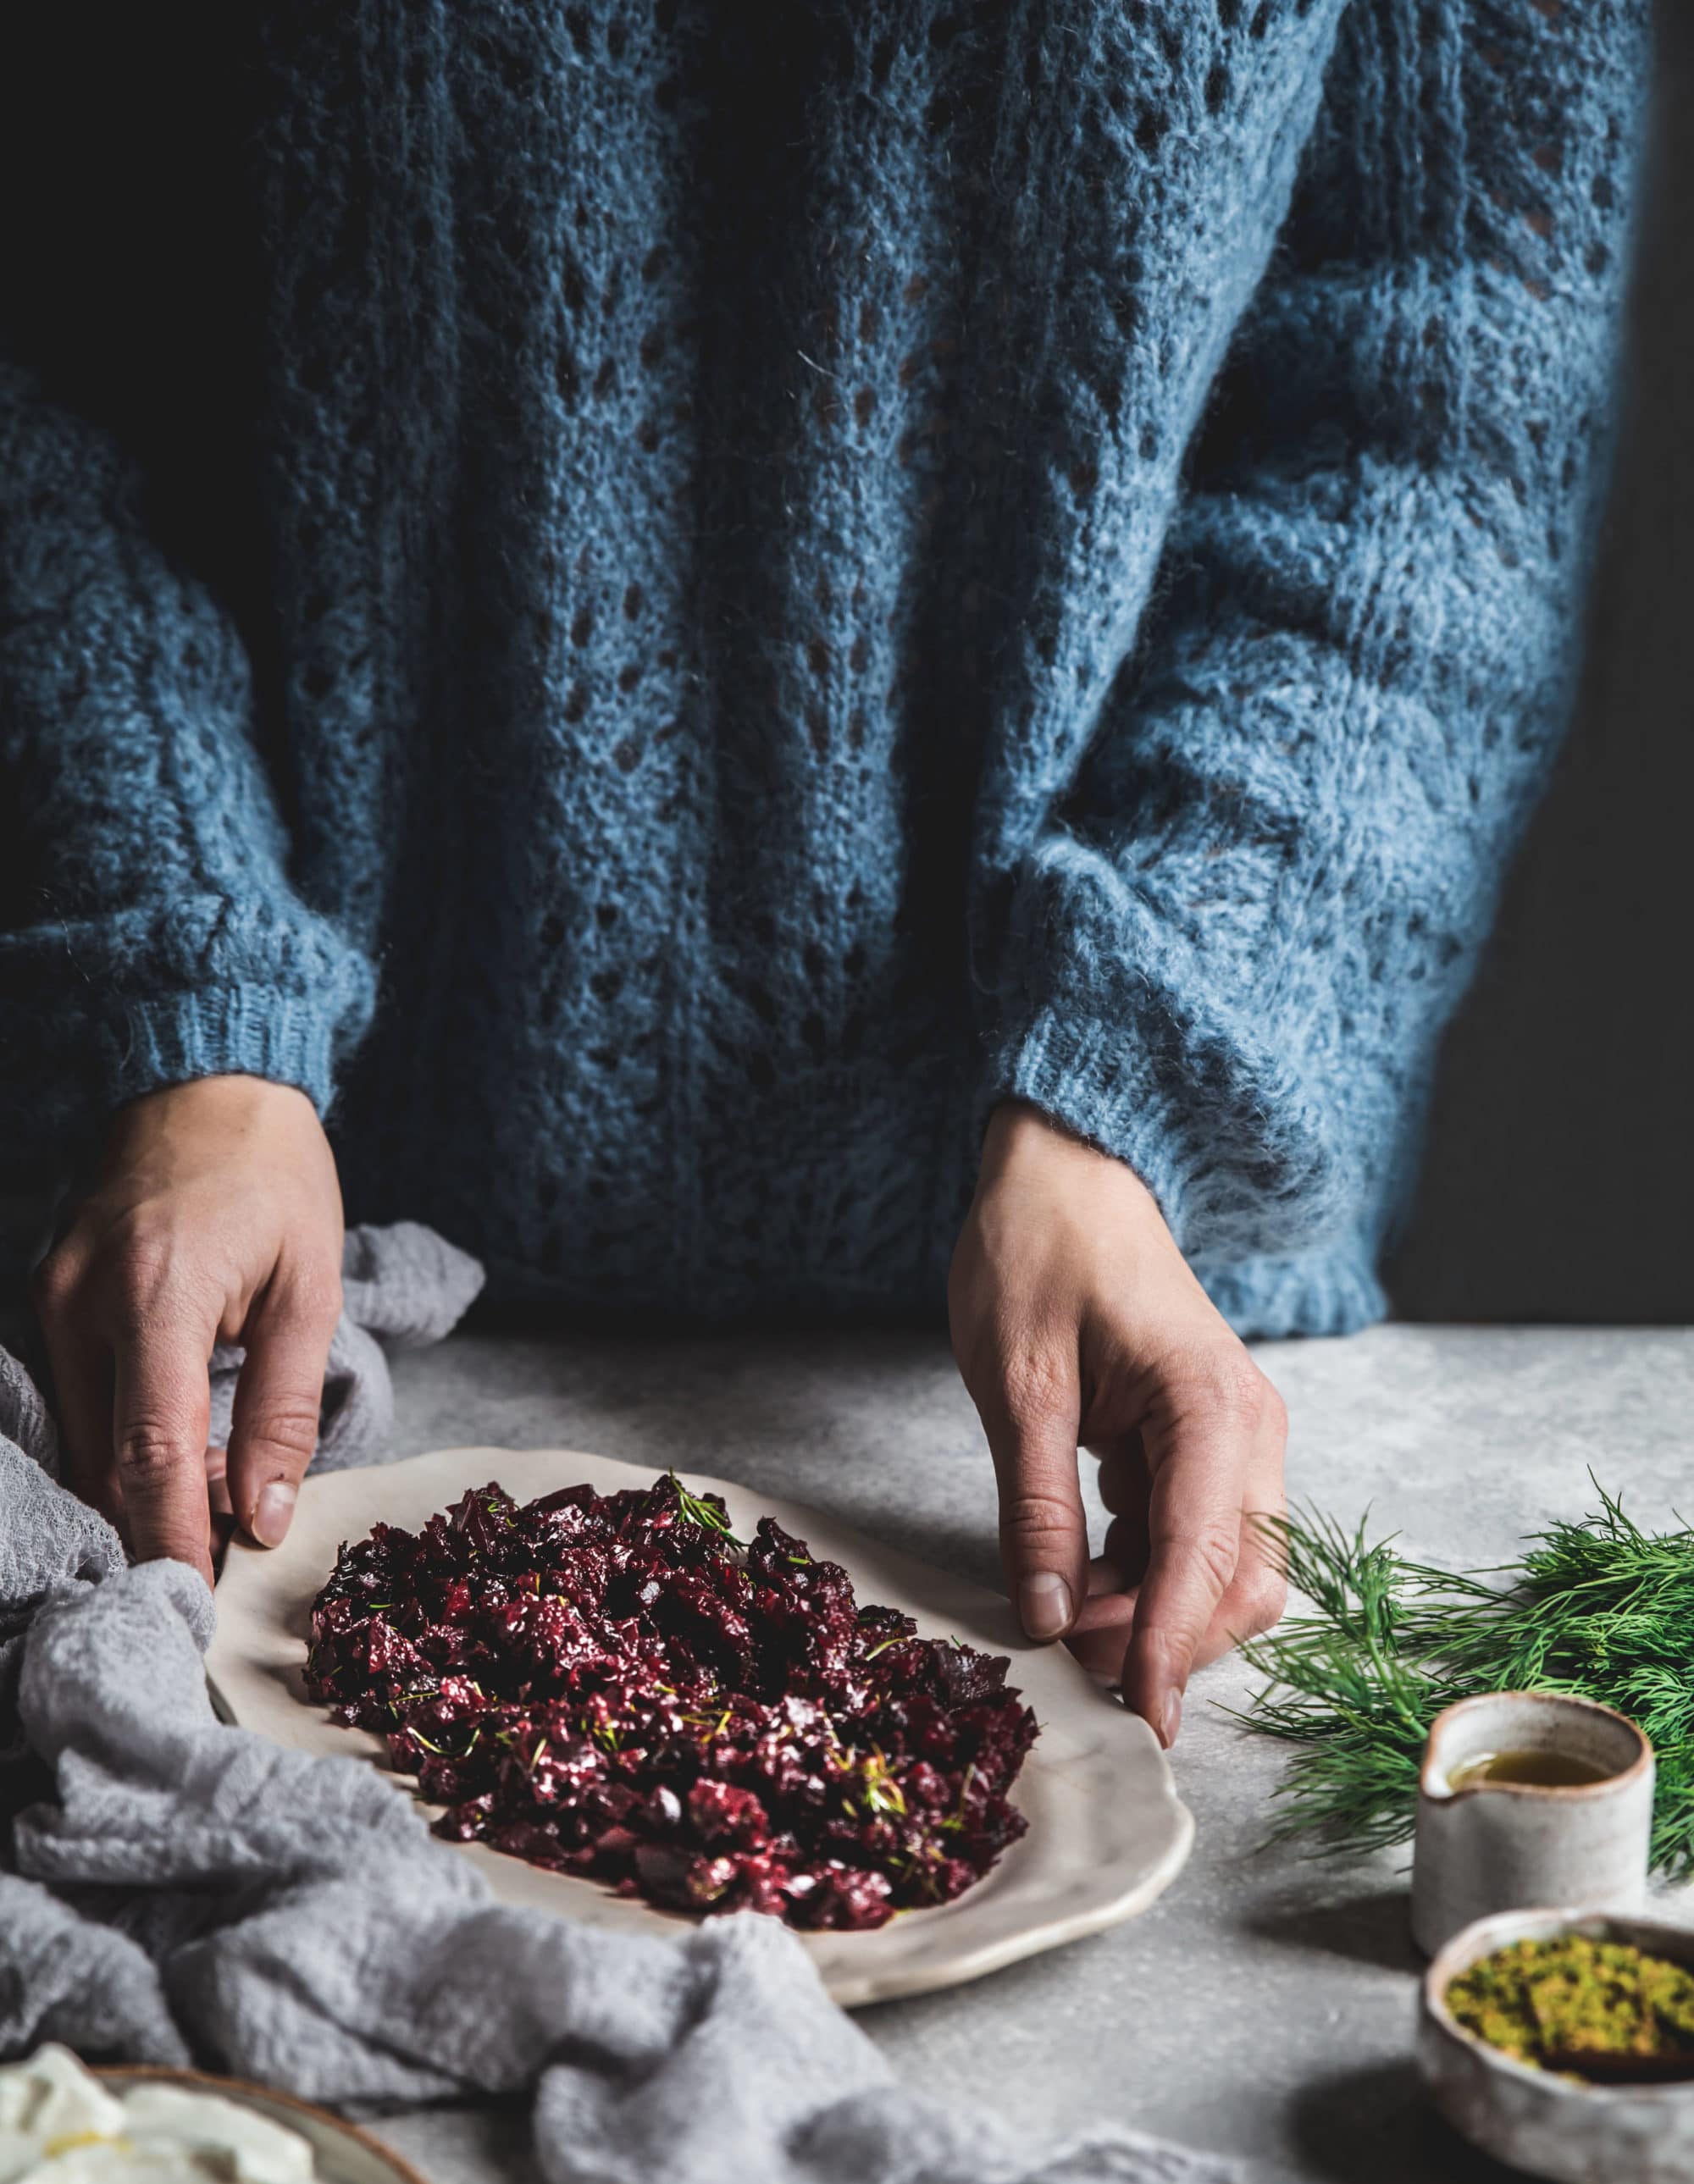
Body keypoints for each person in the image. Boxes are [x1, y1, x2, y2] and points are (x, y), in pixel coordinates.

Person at [0, 3, 1646, 1746]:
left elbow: (1439, 412)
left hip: (1104, 1302)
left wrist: (1137, 1082)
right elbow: (44, 308)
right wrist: (183, 995)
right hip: (281, 1242)